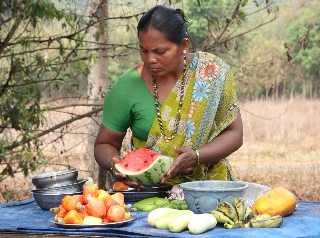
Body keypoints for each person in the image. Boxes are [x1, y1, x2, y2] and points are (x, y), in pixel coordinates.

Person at [94, 5, 243, 188]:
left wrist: (197, 156)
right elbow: (103, 144)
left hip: (210, 191)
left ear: (184, 46)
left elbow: (235, 133)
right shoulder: (125, 88)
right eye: (144, 51)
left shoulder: (211, 73)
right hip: (151, 197)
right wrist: (115, 165)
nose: (150, 60)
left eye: (160, 52)